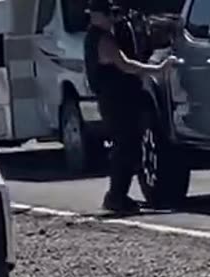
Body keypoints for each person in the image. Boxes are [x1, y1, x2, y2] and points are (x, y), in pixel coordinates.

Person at [83, 0, 179, 214]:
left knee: (127, 146)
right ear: (97, 15)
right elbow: (125, 64)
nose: (112, 19)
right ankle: (116, 197)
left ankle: (118, 196)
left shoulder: (96, 36)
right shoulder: (102, 39)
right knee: (125, 148)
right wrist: (157, 69)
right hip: (116, 101)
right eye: (109, 14)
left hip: (115, 100)